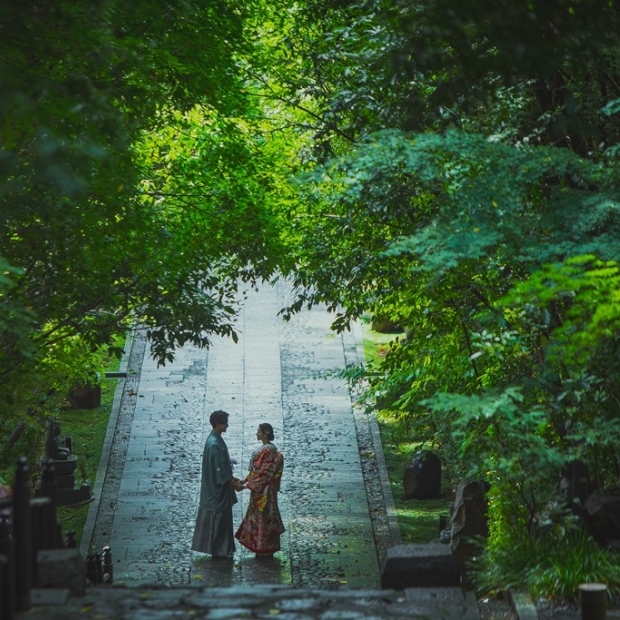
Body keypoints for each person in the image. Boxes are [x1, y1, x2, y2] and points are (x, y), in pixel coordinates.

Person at [192, 410, 244, 558]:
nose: (227, 425)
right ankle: (220, 550)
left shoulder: (215, 440)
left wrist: (233, 479)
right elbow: (220, 472)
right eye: (225, 423)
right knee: (219, 523)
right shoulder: (214, 444)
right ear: (218, 424)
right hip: (217, 492)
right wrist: (234, 485)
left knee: (222, 522)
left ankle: (223, 549)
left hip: (217, 489)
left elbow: (221, 467)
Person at [235, 423, 285, 558]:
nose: (257, 434)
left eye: (259, 432)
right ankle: (263, 546)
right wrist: (246, 481)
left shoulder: (267, 451)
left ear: (265, 433)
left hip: (264, 492)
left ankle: (263, 547)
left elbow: (262, 474)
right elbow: (257, 472)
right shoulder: (267, 450)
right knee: (264, 518)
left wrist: (247, 485)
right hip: (263, 490)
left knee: (263, 517)